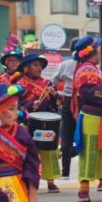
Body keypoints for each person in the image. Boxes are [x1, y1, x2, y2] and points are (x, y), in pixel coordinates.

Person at [72, 36, 102, 202]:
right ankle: (83, 189)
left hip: (99, 117)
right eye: (98, 50)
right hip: (91, 117)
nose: (100, 53)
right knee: (89, 152)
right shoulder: (87, 70)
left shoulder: (90, 68)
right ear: (93, 52)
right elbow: (90, 93)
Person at [18, 54, 61, 193]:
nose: (39, 68)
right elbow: (17, 104)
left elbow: (56, 103)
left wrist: (54, 95)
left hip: (46, 121)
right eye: (35, 65)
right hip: (29, 121)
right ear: (26, 68)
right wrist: (31, 104)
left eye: (40, 65)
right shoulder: (20, 85)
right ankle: (28, 180)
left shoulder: (47, 83)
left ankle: (51, 181)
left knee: (49, 150)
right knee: (30, 152)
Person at [53, 37, 79, 180]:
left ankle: (66, 172)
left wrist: (61, 93)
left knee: (66, 136)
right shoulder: (89, 66)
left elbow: (55, 80)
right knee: (87, 136)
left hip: (68, 101)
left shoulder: (65, 64)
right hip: (84, 102)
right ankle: (89, 173)